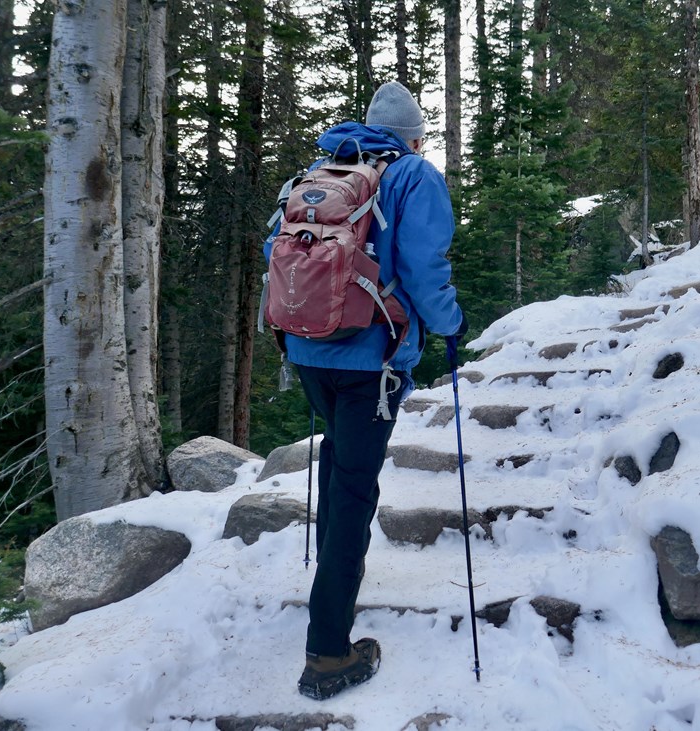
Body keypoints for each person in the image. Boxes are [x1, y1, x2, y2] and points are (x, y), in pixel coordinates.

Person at [283, 81, 467, 701]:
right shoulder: (414, 175)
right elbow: (422, 264)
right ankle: (328, 653)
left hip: (307, 347)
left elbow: (273, 253)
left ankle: (324, 604)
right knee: (355, 488)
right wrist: (449, 323)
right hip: (374, 357)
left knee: (339, 460)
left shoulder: (318, 171)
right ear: (414, 135)